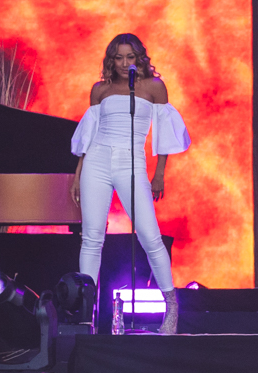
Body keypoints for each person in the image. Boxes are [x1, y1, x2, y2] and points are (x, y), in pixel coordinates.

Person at [71, 34, 190, 335]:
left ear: (139, 59)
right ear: (111, 60)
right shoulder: (100, 90)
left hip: (131, 161)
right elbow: (88, 136)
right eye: (119, 57)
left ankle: (171, 306)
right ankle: (86, 315)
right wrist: (78, 174)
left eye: (130, 57)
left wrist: (159, 173)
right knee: (92, 238)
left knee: (150, 236)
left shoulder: (153, 87)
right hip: (97, 161)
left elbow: (164, 133)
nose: (125, 63)